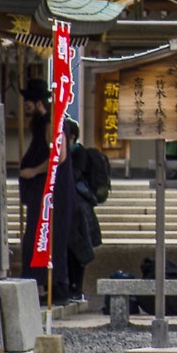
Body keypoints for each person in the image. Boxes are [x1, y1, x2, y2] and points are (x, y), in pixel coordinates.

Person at [59, 118, 109, 305]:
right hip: (72, 207)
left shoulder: (79, 154)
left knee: (77, 250)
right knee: (70, 250)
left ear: (71, 136)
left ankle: (76, 289)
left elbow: (74, 176)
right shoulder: (70, 153)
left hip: (79, 209)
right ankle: (70, 287)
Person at [15, 79, 52, 287]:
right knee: (31, 233)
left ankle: (36, 277)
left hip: (41, 188)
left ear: (39, 103)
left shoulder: (48, 124)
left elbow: (56, 157)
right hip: (33, 189)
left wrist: (33, 171)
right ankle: (31, 274)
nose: (26, 108)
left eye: (28, 104)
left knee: (35, 234)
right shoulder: (38, 124)